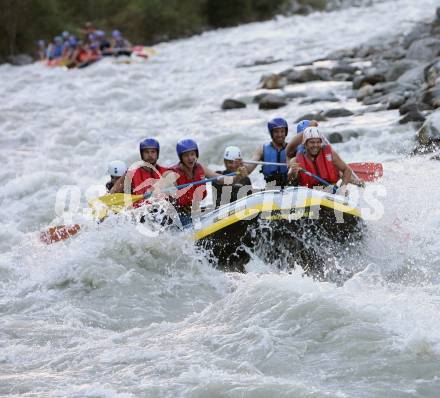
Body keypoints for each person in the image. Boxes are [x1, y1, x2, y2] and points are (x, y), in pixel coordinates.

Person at [170, 139, 248, 226]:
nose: (190, 158)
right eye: (186, 155)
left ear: (196, 154)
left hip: (193, 212)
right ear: (181, 157)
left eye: (192, 154)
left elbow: (225, 180)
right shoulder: (173, 174)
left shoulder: (201, 169)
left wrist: (238, 176)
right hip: (178, 215)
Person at [288, 127, 352, 195]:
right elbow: (290, 179)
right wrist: (293, 172)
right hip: (309, 194)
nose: (315, 145)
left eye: (318, 142)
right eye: (312, 142)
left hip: (330, 191)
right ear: (305, 144)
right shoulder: (295, 160)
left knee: (345, 192)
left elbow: (347, 170)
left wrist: (342, 189)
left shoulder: (330, 154)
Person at [110, 138, 170, 207]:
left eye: (153, 152)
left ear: (157, 154)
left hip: (161, 211)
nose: (150, 155)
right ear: (142, 154)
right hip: (140, 212)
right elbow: (112, 193)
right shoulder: (131, 174)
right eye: (146, 152)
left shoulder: (166, 172)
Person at [246, 117, 290, 188]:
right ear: (271, 133)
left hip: (289, 188)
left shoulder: (291, 148)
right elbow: (249, 169)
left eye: (282, 131)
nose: (279, 135)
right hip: (271, 188)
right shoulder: (262, 149)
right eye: (276, 132)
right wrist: (240, 167)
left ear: (286, 132)